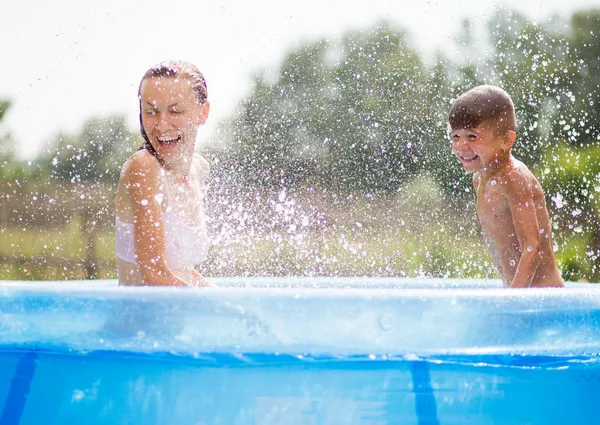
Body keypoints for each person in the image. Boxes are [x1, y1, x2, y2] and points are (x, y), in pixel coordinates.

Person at [448, 85, 564, 288]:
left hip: (541, 297)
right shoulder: (480, 179)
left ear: (506, 140)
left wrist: (512, 300)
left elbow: (532, 247)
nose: (461, 146)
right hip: (519, 293)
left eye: (472, 137)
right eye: (455, 137)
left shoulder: (514, 178)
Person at [115, 60, 213, 287]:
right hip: (140, 320)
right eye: (151, 112)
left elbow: (183, 273)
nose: (162, 124)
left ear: (203, 112)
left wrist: (235, 304)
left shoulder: (199, 169)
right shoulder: (143, 168)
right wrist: (221, 309)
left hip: (175, 318)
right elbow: (155, 274)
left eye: (176, 111)